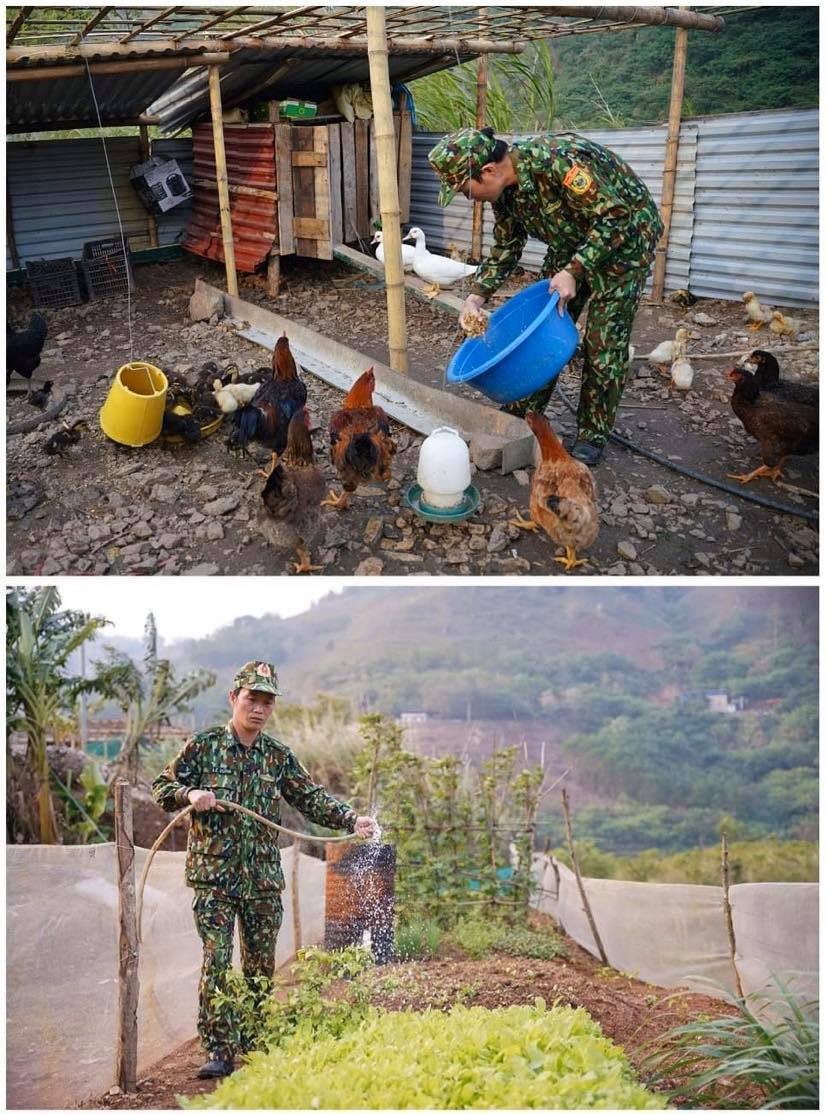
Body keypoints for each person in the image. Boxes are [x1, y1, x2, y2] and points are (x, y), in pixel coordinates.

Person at [152, 660, 377, 1080]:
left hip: (261, 880)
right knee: (216, 959)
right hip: (214, 879)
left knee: (259, 965)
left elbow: (310, 798)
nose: (258, 708)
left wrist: (351, 820)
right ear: (233, 698)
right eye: (252, 698)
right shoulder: (203, 747)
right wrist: (190, 793)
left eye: (267, 702)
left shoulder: (277, 757)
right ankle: (219, 1048)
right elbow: (161, 788)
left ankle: (253, 1040)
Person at [428, 127, 663, 467]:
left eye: (466, 190)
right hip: (572, 241)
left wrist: (575, 270)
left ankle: (591, 435)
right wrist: (477, 296)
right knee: (538, 326)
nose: (469, 198)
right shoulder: (504, 193)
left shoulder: (556, 162)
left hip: (626, 240)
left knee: (603, 342)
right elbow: (507, 246)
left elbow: (616, 216)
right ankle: (525, 411)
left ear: (489, 171)